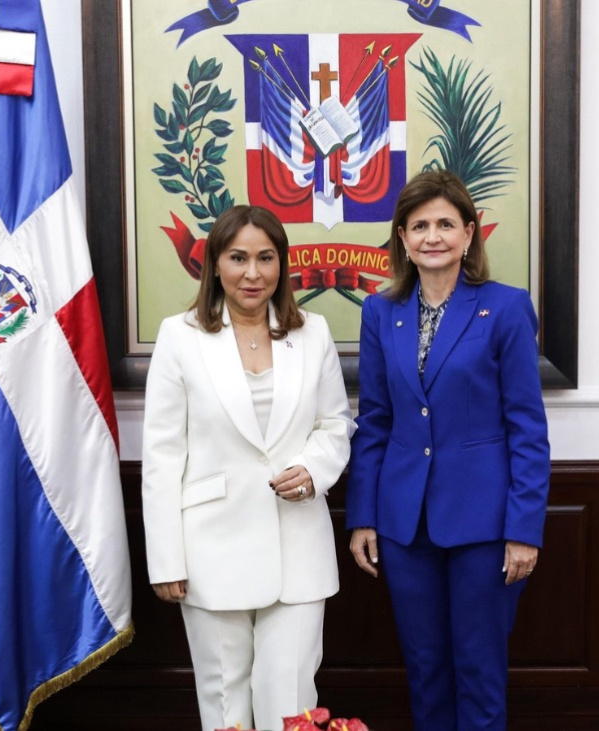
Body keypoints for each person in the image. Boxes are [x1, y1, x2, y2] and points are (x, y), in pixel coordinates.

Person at [346, 170, 550, 730]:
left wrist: (524, 527)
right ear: (403, 238)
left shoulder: (505, 308)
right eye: (419, 226)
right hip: (403, 525)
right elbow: (376, 421)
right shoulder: (379, 312)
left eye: (444, 224)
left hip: (485, 526)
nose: (432, 236)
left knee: (479, 673)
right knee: (426, 670)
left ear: (468, 233)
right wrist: (363, 515)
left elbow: (527, 428)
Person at [142, 205, 354, 731]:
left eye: (266, 258)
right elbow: (163, 454)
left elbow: (336, 424)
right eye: (238, 258)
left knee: (292, 705)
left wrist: (312, 469)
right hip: (210, 550)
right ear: (215, 263)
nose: (252, 273)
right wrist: (166, 560)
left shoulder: (314, 331)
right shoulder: (179, 336)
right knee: (223, 703)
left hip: (298, 550)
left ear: (283, 265)